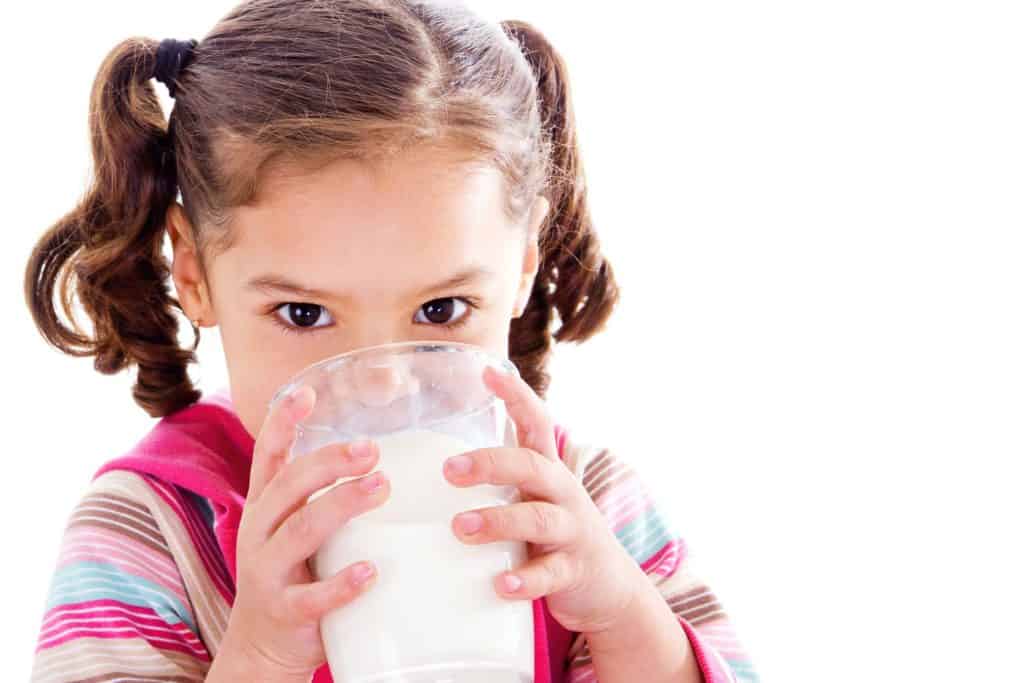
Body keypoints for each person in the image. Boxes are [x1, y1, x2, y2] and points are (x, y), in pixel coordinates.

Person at [24, 2, 758, 681]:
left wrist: (620, 614)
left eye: (441, 309)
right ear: (193, 271)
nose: (383, 386)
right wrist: (259, 651)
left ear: (525, 258)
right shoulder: (151, 528)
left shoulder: (584, 508)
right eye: (304, 314)